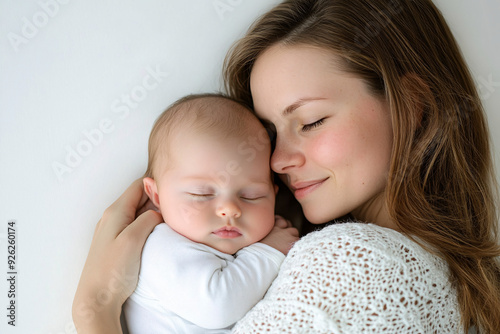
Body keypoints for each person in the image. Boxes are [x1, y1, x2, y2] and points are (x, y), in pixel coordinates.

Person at [73, 0, 500, 333]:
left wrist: (95, 310)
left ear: (412, 105)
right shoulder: (463, 285)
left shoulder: (354, 262)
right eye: (272, 134)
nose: (277, 161)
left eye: (311, 121)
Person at [121, 93, 299, 333]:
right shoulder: (160, 246)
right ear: (156, 196)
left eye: (251, 195)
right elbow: (217, 307)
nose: (230, 209)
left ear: (274, 197)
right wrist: (267, 252)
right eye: (201, 194)